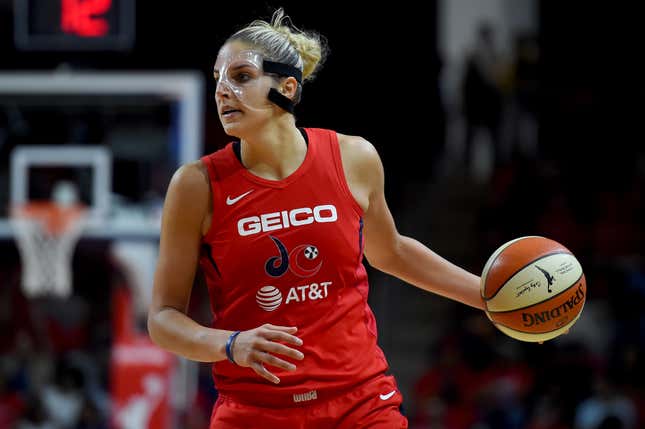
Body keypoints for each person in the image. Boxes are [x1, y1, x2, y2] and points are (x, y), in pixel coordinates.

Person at [147, 9, 484, 429]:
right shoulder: (196, 185)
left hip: (359, 403)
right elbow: (162, 318)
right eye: (218, 78)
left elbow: (392, 252)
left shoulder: (353, 157)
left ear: (287, 87)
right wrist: (230, 344)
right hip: (254, 410)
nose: (223, 91)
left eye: (241, 76)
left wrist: (488, 296)